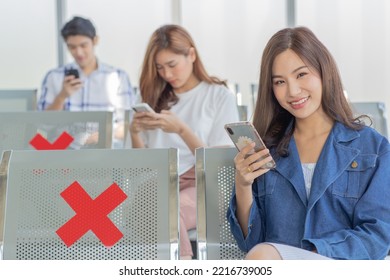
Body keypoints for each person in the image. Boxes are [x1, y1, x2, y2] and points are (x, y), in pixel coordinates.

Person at [227, 26, 390, 260]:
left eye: (301, 74)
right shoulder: (267, 149)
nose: (293, 91)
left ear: (324, 71)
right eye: (280, 82)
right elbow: (251, 243)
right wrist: (243, 186)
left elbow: (377, 236)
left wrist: (309, 257)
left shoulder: (373, 148)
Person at [129, 24, 239, 259]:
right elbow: (143, 164)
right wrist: (135, 133)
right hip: (157, 184)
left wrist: (181, 129)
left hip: (203, 185)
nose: (167, 74)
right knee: (157, 202)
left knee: (164, 208)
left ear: (191, 54)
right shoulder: (151, 96)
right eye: (160, 68)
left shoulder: (218, 96)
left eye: (172, 65)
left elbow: (219, 165)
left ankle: (182, 263)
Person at [38, 16, 135, 148]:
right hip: (64, 151)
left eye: (83, 45)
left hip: (104, 149)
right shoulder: (54, 77)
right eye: (72, 47)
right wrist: (61, 97)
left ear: (95, 41)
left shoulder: (118, 77)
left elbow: (127, 125)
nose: (78, 52)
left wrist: (100, 136)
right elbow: (43, 125)